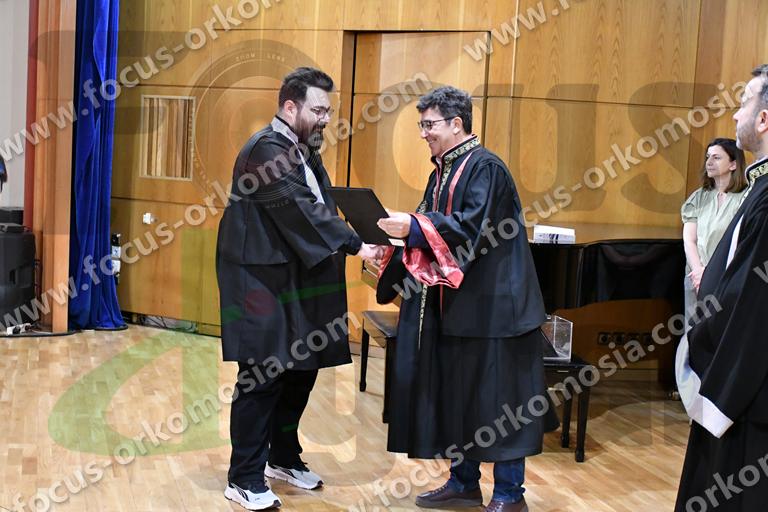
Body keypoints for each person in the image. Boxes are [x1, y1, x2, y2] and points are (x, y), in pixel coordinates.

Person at [376, 86, 556, 512]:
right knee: (462, 398)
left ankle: (510, 495)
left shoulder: (485, 167)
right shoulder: (443, 171)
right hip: (462, 306)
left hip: (498, 310)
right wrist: (393, 242)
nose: (423, 133)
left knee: (502, 405)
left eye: (429, 124)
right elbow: (431, 225)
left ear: (457, 124)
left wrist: (413, 227)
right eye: (421, 124)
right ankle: (464, 483)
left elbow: (470, 229)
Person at [216, 67, 378, 510]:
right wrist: (358, 244)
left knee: (301, 369)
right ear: (290, 107)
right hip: (259, 281)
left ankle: (283, 457)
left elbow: (323, 204)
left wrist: (367, 226)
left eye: (328, 110)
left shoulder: (302, 148)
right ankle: (244, 478)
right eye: (318, 110)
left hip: (293, 277)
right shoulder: (266, 150)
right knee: (262, 377)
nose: (326, 118)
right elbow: (301, 210)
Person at [675, 65, 768, 511]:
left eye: (743, 101)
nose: (735, 114)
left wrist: (703, 343)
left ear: (764, 118)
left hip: (748, 387)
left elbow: (750, 303)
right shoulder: (760, 187)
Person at [681, 138, 747, 322]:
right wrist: (699, 272)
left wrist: (711, 275)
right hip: (695, 277)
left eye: (716, 157)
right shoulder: (698, 197)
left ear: (733, 164)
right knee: (692, 330)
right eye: (708, 157)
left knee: (721, 331)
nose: (709, 162)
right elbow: (689, 240)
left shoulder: (746, 197)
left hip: (727, 279)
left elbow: (743, 242)